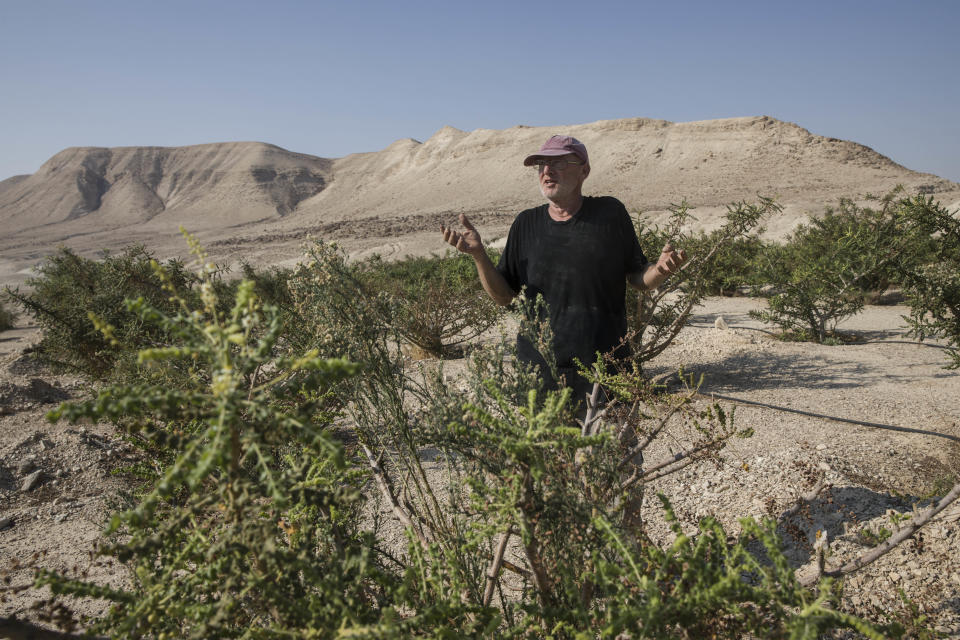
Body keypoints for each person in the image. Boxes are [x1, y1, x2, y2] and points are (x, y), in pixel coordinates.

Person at [440, 134, 687, 411]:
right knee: (549, 455)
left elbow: (639, 278)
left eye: (558, 162)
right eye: (542, 165)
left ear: (584, 171)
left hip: (606, 373)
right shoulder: (526, 224)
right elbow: (504, 297)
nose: (547, 171)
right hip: (541, 376)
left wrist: (660, 271)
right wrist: (479, 256)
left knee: (613, 453)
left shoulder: (610, 214)